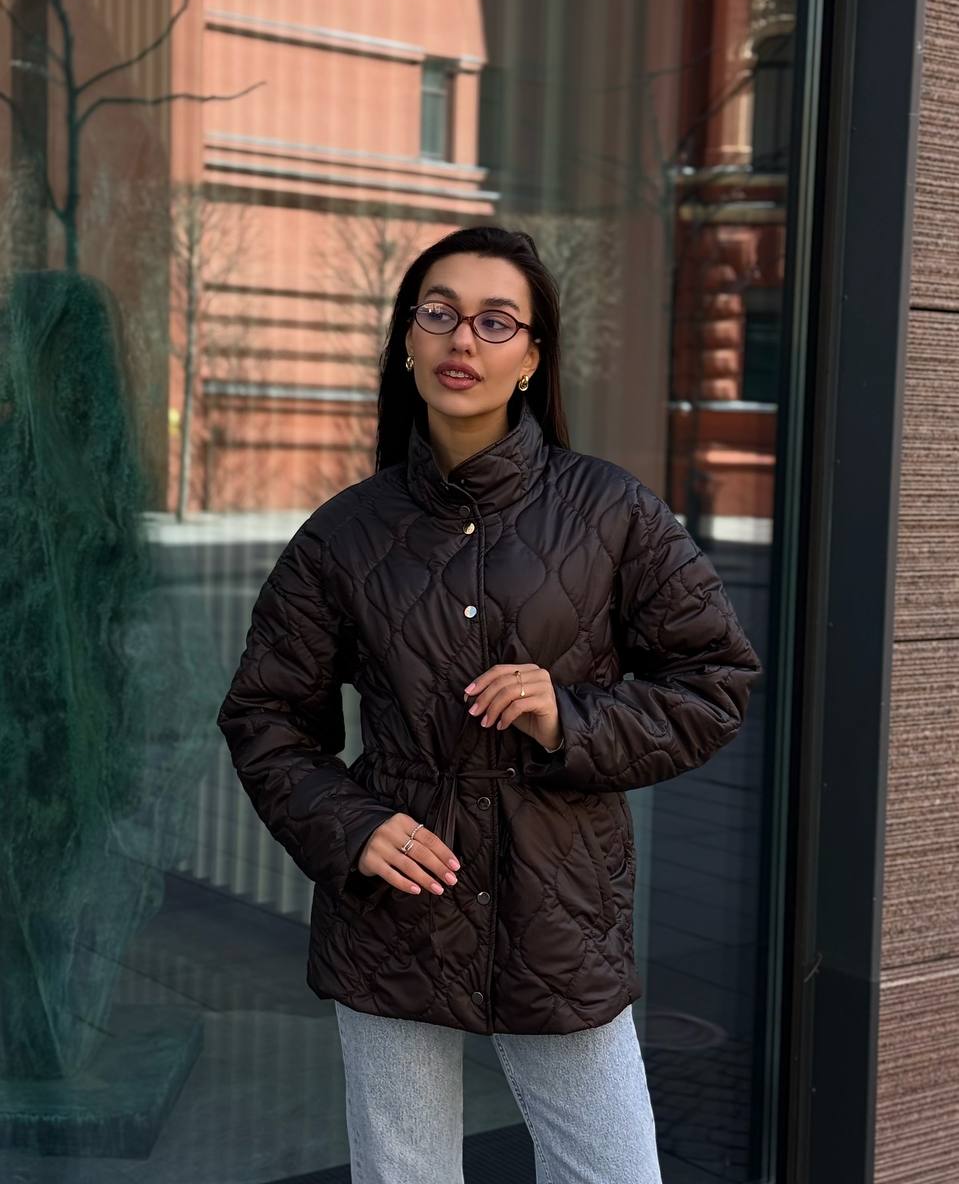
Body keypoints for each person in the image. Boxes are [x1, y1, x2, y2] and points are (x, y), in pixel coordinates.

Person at [217, 225, 762, 1183]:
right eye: (438, 313)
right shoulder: (345, 534)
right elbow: (265, 716)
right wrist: (351, 827)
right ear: (407, 340)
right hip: (397, 905)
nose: (461, 339)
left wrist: (568, 717)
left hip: (560, 904)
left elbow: (713, 683)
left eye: (495, 321)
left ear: (532, 358)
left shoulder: (611, 512)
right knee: (403, 1173)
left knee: (610, 1170)